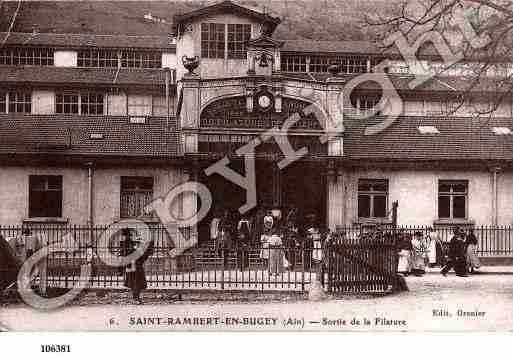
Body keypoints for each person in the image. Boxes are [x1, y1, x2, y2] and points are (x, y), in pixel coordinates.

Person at [123, 228, 155, 304]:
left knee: (137, 283)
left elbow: (143, 256)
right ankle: (136, 298)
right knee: (135, 283)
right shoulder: (129, 244)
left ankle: (136, 297)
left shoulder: (139, 246)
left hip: (137, 266)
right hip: (132, 266)